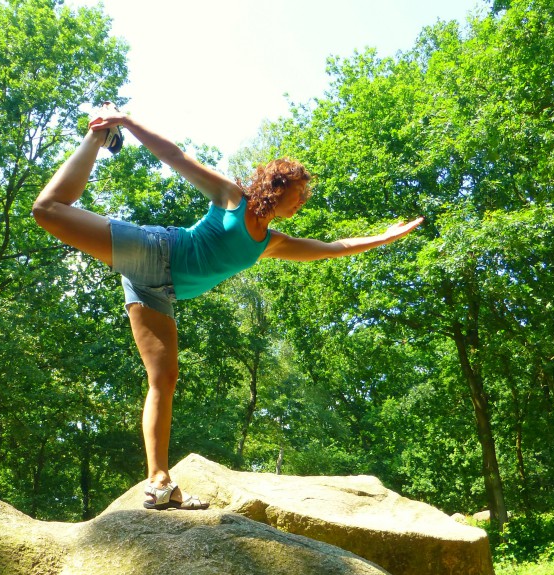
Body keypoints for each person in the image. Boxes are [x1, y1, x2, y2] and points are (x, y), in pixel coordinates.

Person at [32, 103, 423, 511]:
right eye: (299, 193)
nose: (301, 202)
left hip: (158, 292)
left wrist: (383, 238)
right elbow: (175, 157)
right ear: (278, 185)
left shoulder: (270, 242)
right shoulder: (232, 200)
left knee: (164, 377)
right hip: (155, 251)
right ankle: (100, 135)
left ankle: (159, 482)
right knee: (47, 210)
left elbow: (330, 249)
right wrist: (126, 121)